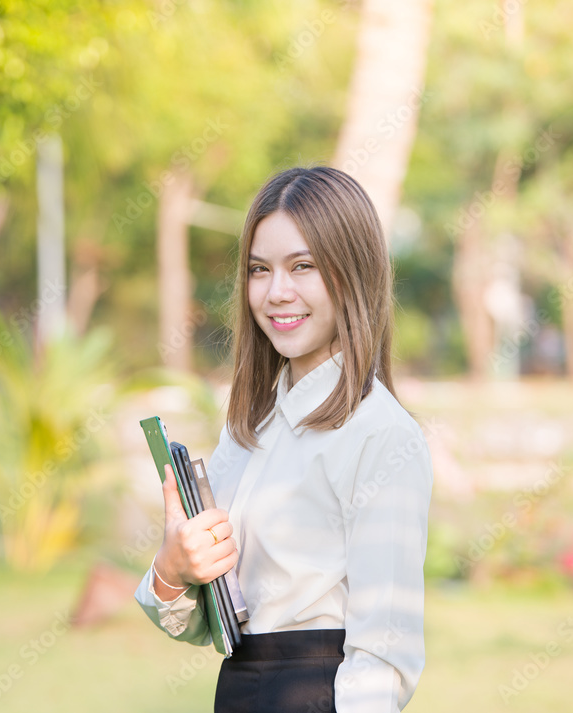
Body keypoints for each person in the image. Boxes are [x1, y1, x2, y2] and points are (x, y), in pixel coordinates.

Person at [134, 166, 433, 713]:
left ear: (353, 273)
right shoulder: (249, 427)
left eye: (303, 267)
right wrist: (173, 570)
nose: (277, 293)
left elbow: (383, 657)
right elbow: (214, 619)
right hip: (241, 691)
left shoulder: (381, 434)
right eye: (259, 269)